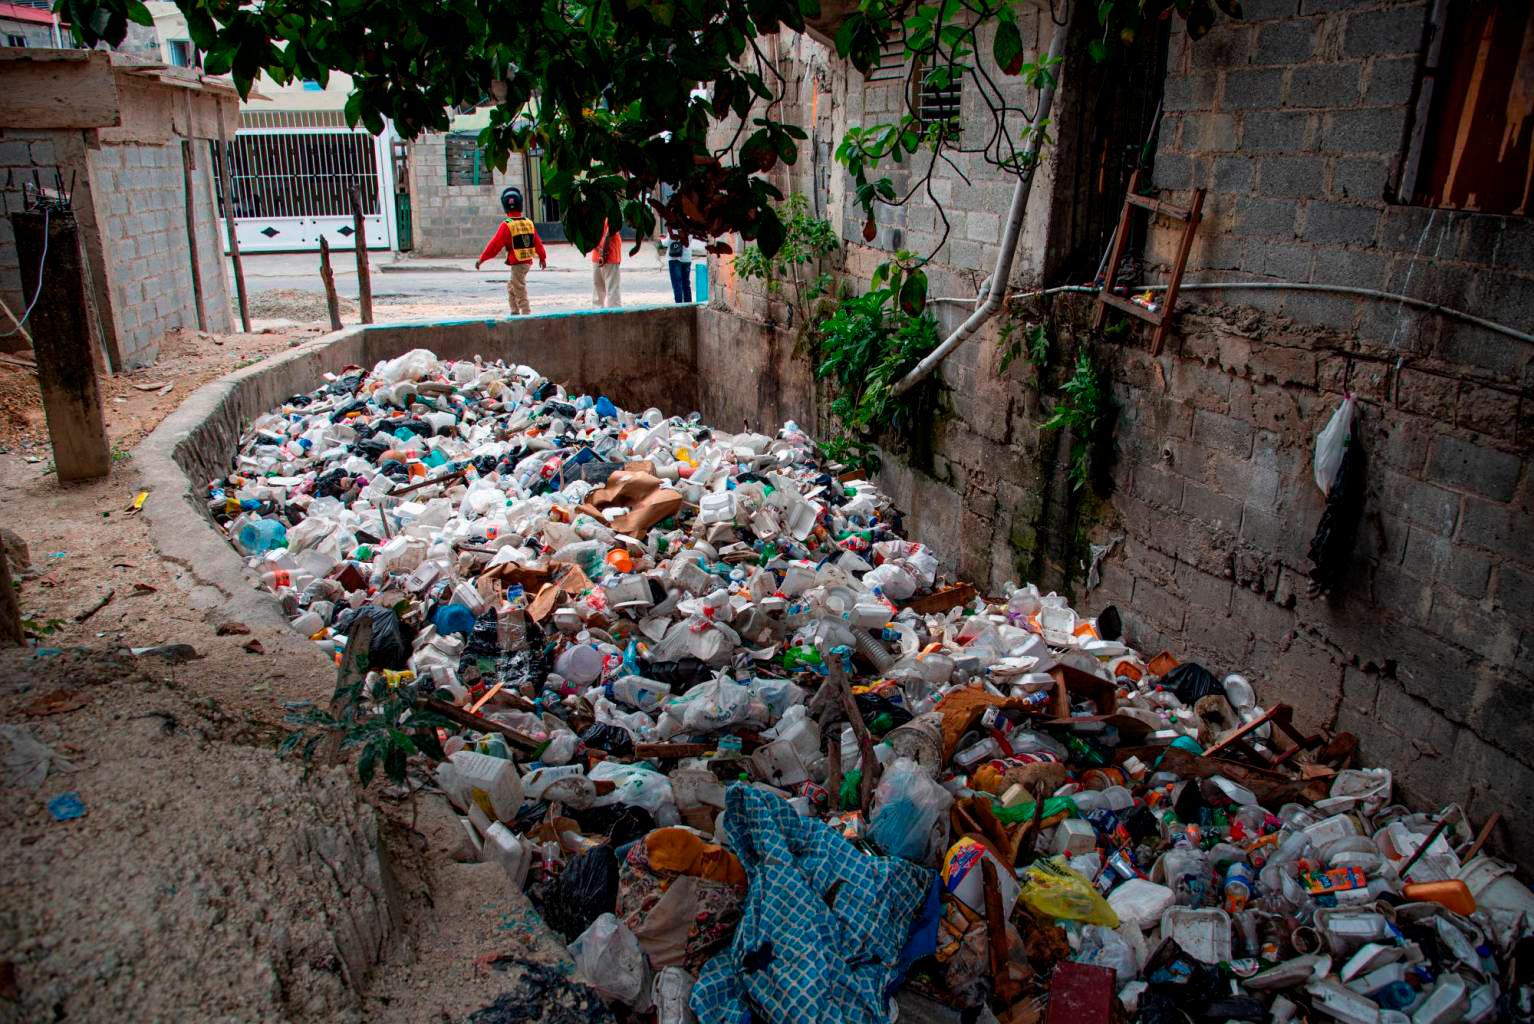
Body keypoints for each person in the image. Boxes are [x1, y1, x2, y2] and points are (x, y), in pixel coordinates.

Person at [475, 186, 547, 315]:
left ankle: (526, 313)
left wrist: (482, 259)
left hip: (517, 263)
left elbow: (494, 245)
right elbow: (538, 242)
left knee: (519, 286)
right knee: (512, 285)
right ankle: (514, 311)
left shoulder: (507, 225)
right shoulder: (528, 222)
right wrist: (542, 257)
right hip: (527, 261)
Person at [591, 220, 623, 309]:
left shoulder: (594, 213)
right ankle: (614, 319)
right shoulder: (611, 213)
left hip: (596, 257)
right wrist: (603, 254)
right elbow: (609, 234)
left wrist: (597, 248)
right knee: (613, 294)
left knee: (597, 294)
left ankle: (596, 318)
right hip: (610, 257)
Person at [666, 227, 695, 304]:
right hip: (687, 257)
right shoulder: (688, 225)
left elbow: (668, 242)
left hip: (674, 258)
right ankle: (688, 306)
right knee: (686, 285)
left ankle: (679, 306)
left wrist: (663, 240)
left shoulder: (672, 227)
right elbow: (689, 241)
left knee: (677, 285)